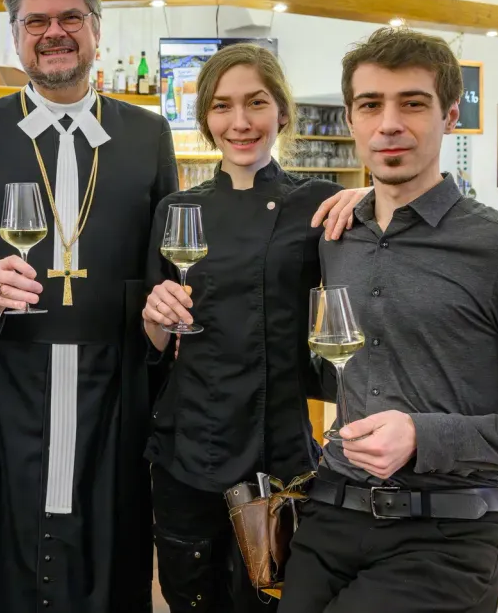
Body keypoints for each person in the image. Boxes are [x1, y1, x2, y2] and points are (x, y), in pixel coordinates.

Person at [276, 27, 498, 613]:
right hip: (329, 513)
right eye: (371, 105)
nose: (390, 123)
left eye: (413, 103)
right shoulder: (337, 234)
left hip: (447, 534)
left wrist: (425, 435)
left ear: (450, 114)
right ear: (351, 119)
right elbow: (336, 370)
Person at [0, 0, 178, 611]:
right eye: (35, 21)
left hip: (113, 378)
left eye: (70, 18)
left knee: (106, 537)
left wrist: (160, 325)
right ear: (16, 36)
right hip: (7, 371)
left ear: (97, 32)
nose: (53, 32)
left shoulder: (147, 134)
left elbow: (169, 257)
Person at [142, 43, 366, 611]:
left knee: (270, 599)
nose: (239, 123)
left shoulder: (319, 204)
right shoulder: (176, 209)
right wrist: (153, 318)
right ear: (205, 120)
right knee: (191, 597)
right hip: (187, 447)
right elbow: (152, 347)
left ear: (282, 113)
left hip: (279, 450)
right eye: (222, 107)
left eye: (256, 103)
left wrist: (376, 197)